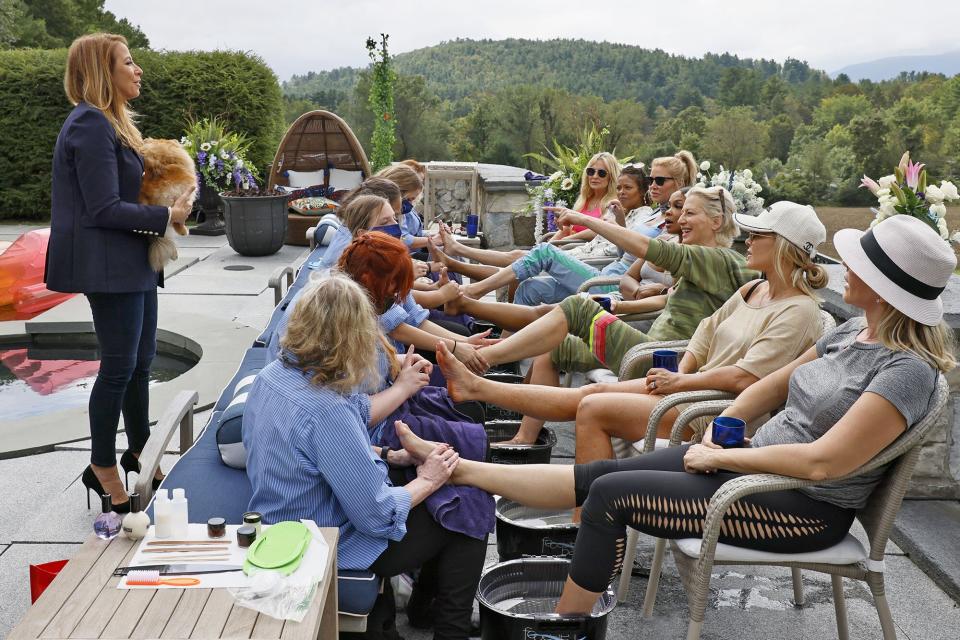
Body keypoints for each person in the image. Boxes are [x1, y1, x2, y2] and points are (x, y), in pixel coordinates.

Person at [395, 213, 956, 616]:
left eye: (857, 266)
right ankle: (456, 470)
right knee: (599, 478)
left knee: (610, 500)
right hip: (749, 469)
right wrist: (722, 425)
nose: (842, 272)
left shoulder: (906, 371)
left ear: (884, 291)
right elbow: (766, 389)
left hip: (798, 507)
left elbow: (822, 463)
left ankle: (567, 624)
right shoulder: (848, 333)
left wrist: (725, 452)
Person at [436, 202, 829, 453]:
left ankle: (590, 530)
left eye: (758, 235)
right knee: (591, 390)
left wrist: (680, 382)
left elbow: (747, 379)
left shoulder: (796, 310)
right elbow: (706, 331)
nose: (748, 240)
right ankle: (479, 384)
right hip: (682, 382)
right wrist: (683, 371)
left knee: (593, 402)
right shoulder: (753, 286)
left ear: (783, 247)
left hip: (709, 410)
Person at [244, 275, 486, 639]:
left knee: (439, 493)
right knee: (469, 504)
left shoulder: (272, 378)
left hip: (281, 523)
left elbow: (312, 451)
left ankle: (421, 611)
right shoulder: (325, 409)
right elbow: (377, 515)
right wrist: (429, 478)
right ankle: (447, 627)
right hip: (327, 544)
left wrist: (389, 454)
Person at [467, 187, 756, 442]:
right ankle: (524, 437)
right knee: (552, 348)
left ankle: (483, 357)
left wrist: (583, 219)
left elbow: (650, 249)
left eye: (690, 213)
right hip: (648, 350)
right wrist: (623, 305)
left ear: (716, 222)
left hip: (657, 364)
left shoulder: (718, 258)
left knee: (578, 306)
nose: (681, 219)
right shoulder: (705, 261)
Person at [46, 33, 195, 512]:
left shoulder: (111, 124)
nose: (138, 69)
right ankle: (102, 467)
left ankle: (138, 453)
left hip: (130, 262)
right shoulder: (89, 125)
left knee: (141, 363)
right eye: (128, 63)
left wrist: (168, 201)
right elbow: (103, 208)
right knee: (117, 369)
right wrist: (165, 218)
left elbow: (124, 196)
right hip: (108, 267)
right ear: (100, 73)